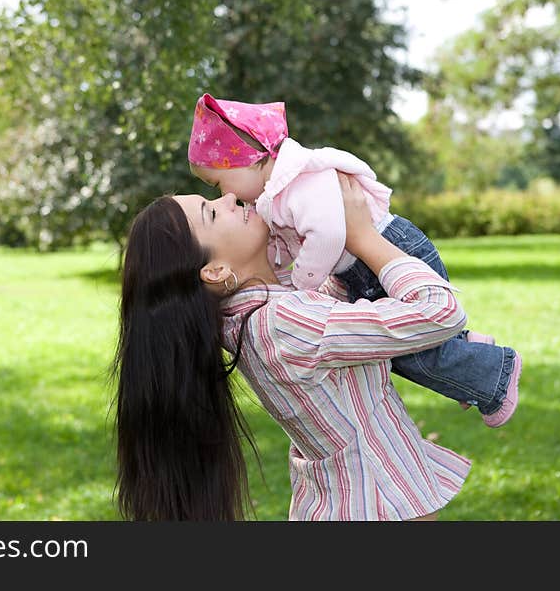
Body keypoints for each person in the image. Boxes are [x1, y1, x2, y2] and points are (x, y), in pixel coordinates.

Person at [112, 173, 472, 521]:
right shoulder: (282, 323)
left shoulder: (250, 321)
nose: (229, 197)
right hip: (379, 503)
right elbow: (439, 312)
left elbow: (334, 316)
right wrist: (363, 237)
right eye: (212, 211)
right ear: (216, 270)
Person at [187, 92, 522, 427]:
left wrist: (306, 285)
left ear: (247, 159)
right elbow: (293, 241)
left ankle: (496, 375)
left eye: (218, 183)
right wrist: (280, 259)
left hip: (388, 247)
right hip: (361, 265)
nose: (226, 195)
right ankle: (468, 351)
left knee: (413, 355)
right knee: (398, 348)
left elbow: (329, 237)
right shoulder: (278, 193)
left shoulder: (300, 183)